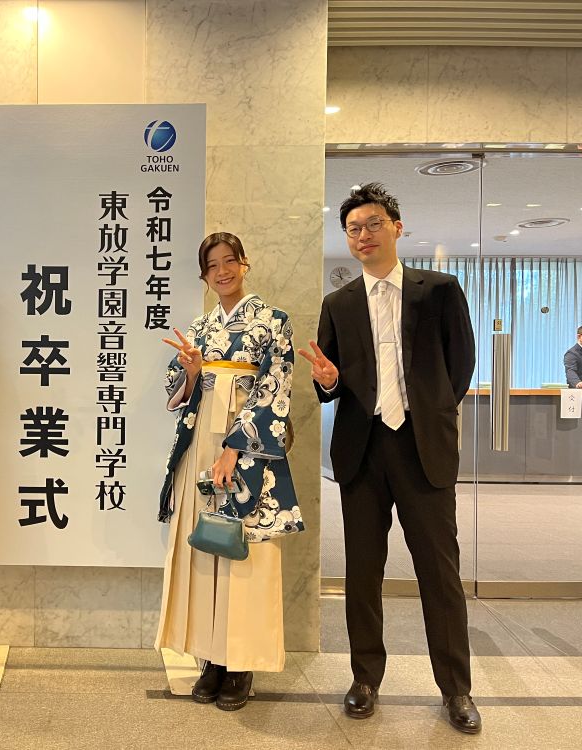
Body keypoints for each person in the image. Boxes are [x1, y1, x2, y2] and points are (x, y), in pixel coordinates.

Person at [299, 183, 481, 734]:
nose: (363, 235)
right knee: (362, 572)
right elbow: (328, 382)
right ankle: (364, 680)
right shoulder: (338, 304)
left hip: (423, 449)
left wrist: (431, 414)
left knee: (439, 573)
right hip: (363, 452)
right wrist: (326, 382)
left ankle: (456, 689)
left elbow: (461, 365)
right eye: (353, 228)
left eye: (373, 224)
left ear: (397, 227)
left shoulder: (439, 290)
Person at [155, 232, 303, 712]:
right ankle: (211, 659)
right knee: (206, 547)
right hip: (200, 443)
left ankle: (241, 663)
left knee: (244, 554)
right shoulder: (200, 328)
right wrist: (193, 371)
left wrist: (234, 450)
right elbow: (177, 391)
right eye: (212, 265)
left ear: (244, 263)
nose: (221, 272)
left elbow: (275, 389)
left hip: (249, 449)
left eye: (229, 261)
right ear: (204, 275)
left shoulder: (274, 321)